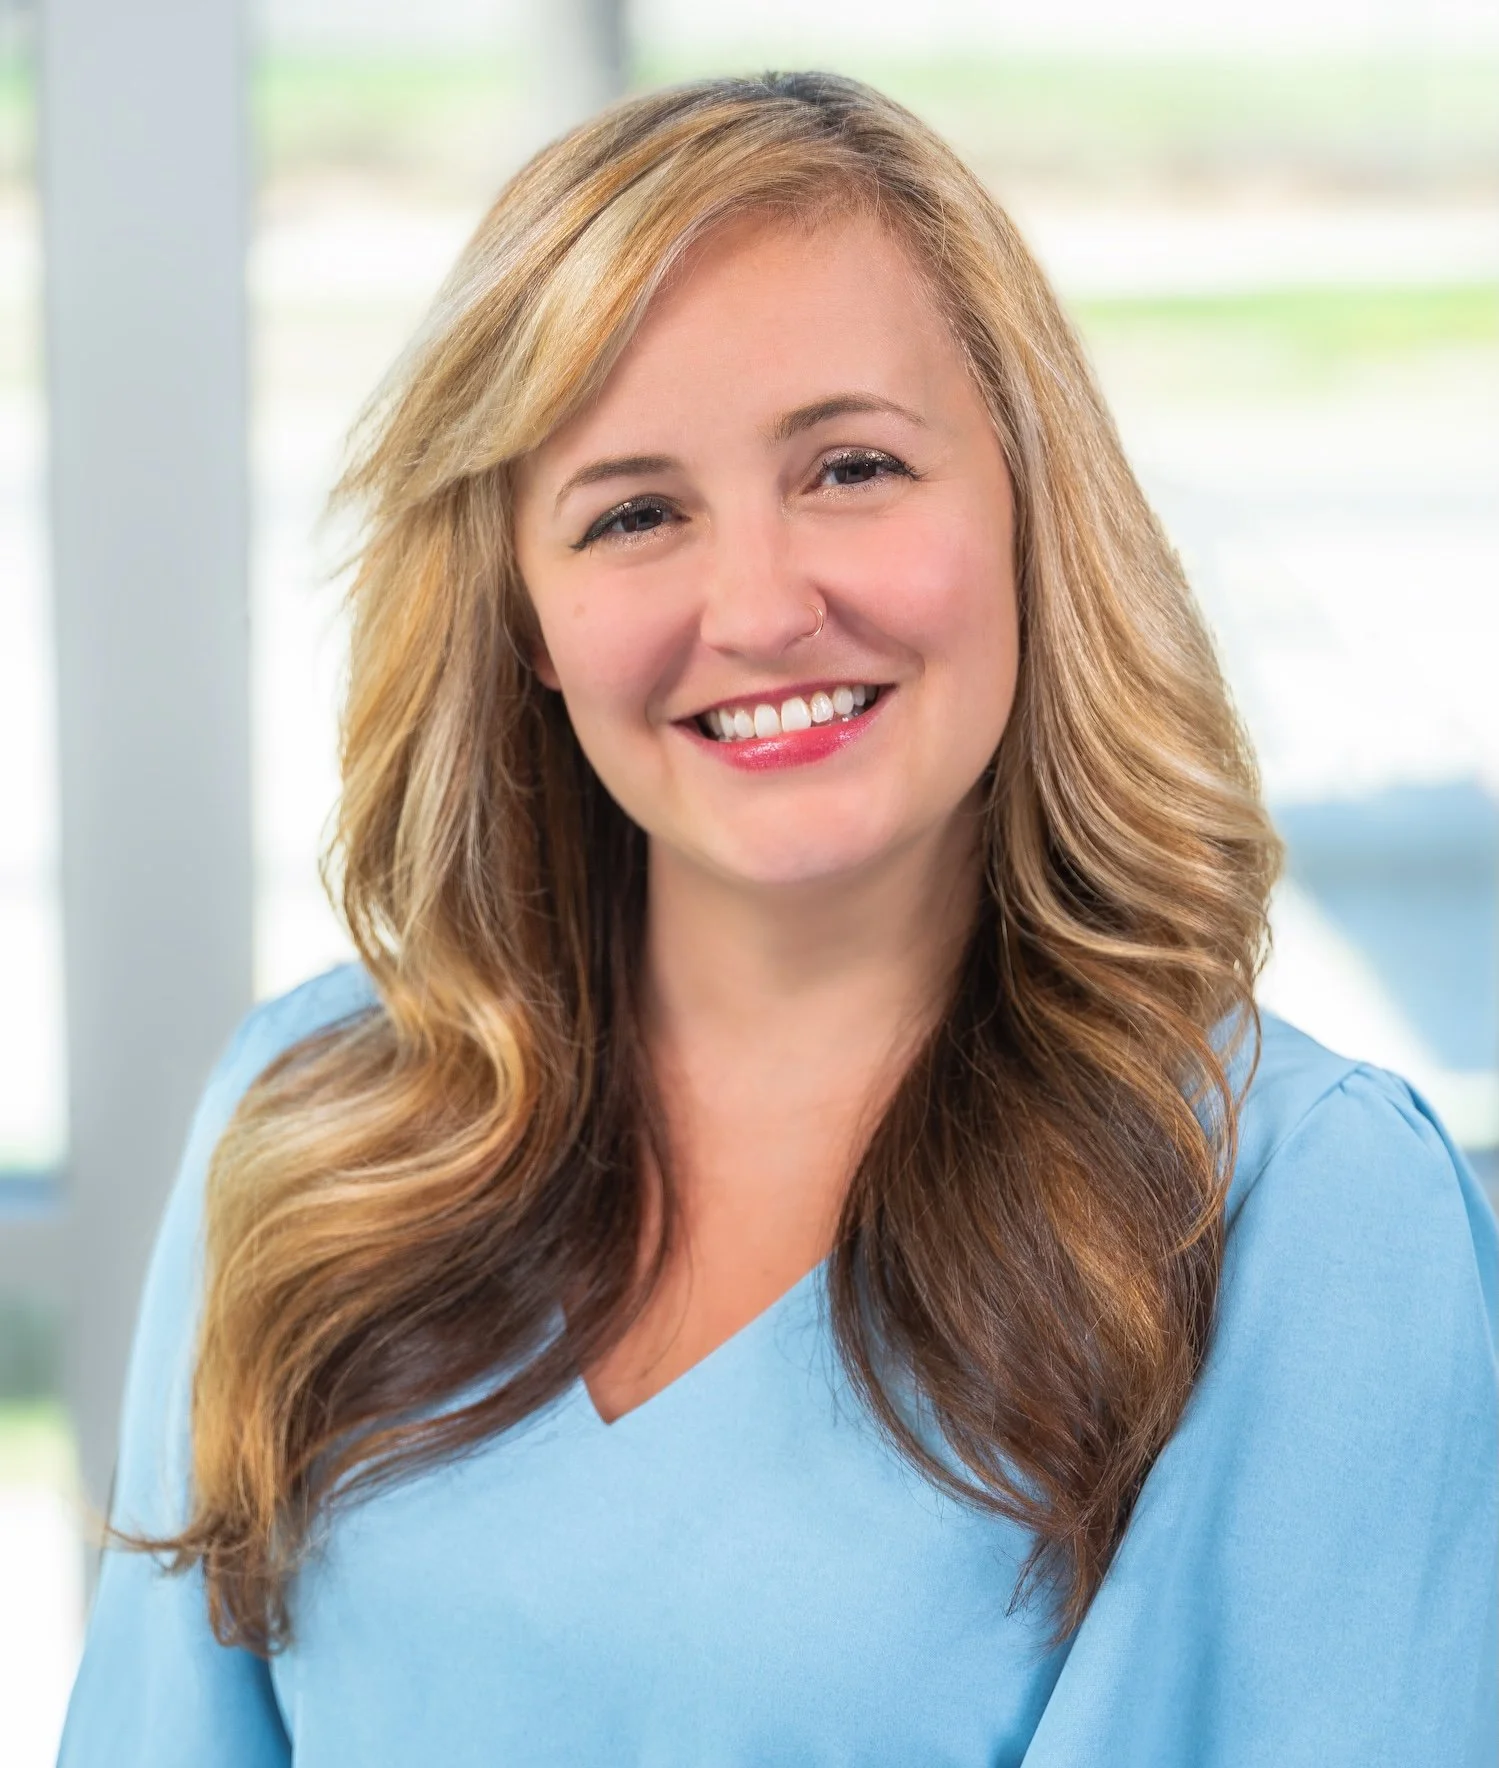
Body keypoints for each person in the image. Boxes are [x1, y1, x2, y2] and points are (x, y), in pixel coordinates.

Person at [60, 72, 1496, 1766]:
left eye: (852, 467)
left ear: (1028, 509)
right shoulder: (314, 1127)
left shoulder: (1298, 1213)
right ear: (524, 616)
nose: (757, 608)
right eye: (634, 513)